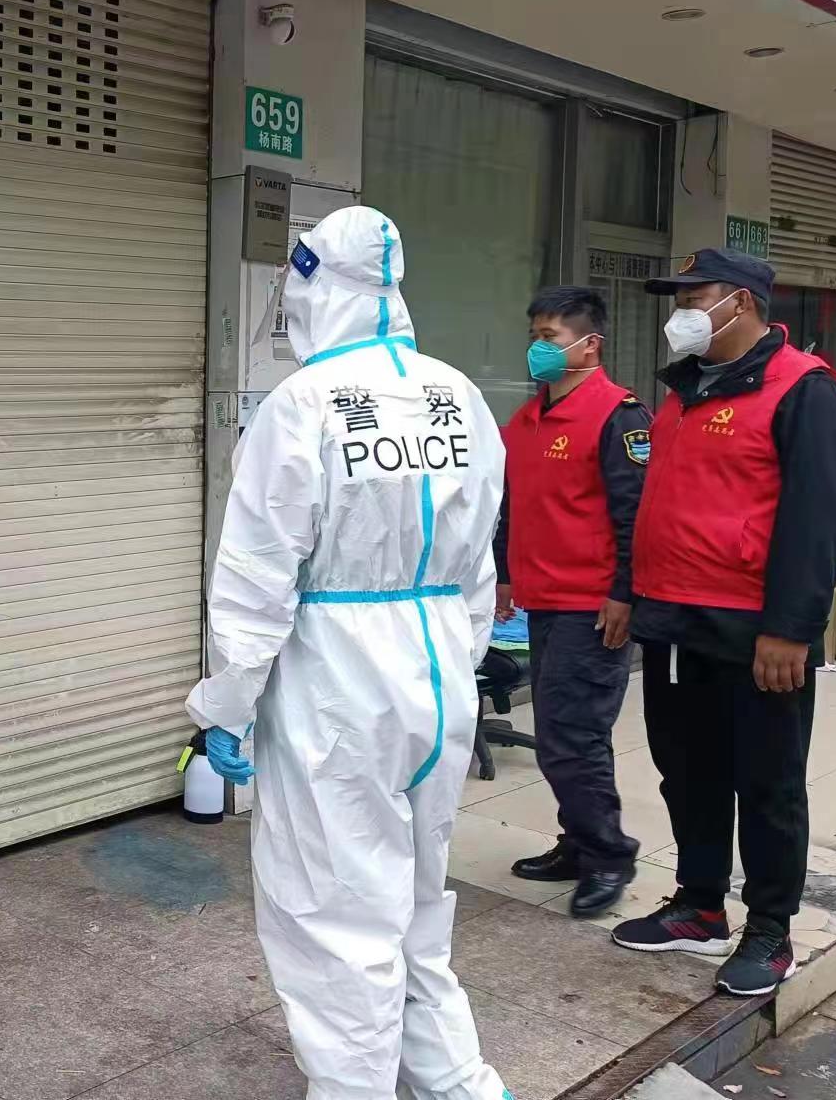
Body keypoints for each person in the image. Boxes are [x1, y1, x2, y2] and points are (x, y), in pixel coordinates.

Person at [191, 206, 512, 1100]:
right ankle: (459, 1083)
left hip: (335, 682)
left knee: (335, 918)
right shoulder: (460, 395)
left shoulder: (302, 405)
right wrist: (456, 667)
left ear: (313, 288)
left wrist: (227, 705)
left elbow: (257, 577)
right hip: (438, 674)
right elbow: (479, 561)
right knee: (417, 903)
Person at [611, 250, 836, 997]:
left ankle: (770, 928)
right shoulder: (684, 391)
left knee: (767, 782)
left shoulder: (803, 389)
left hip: (755, 631)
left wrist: (792, 627)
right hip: (674, 620)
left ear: (741, 302)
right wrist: (630, 591)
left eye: (695, 297)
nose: (680, 311)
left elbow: (820, 519)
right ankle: (699, 902)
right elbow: (658, 505)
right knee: (688, 771)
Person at [494, 287, 651, 917]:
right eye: (534, 335)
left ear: (590, 345)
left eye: (550, 337)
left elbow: (636, 516)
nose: (538, 348)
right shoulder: (529, 419)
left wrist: (624, 593)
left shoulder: (618, 416)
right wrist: (505, 575)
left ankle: (609, 855)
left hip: (593, 605)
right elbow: (512, 505)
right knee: (567, 731)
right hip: (543, 599)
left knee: (571, 735)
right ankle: (581, 842)